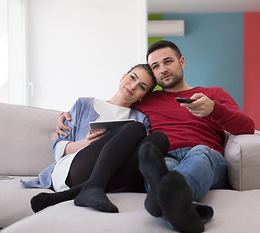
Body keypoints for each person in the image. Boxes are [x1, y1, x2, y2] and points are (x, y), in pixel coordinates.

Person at [57, 41, 255, 232]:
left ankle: (162, 197)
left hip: (207, 157)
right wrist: (67, 116)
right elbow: (114, 107)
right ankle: (176, 207)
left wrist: (214, 109)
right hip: (163, 157)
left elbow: (247, 127)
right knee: (160, 169)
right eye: (156, 66)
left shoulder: (212, 94)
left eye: (168, 62)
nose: (163, 69)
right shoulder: (145, 99)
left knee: (200, 153)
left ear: (182, 62)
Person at [21, 64, 170, 214]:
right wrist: (85, 143)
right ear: (123, 77)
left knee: (159, 140)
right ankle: (90, 187)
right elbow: (58, 147)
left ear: (142, 97)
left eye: (142, 87)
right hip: (75, 170)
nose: (133, 86)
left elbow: (138, 161)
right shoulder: (84, 104)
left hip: (111, 176)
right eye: (132, 77)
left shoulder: (141, 119)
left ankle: (83, 190)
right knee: (135, 129)